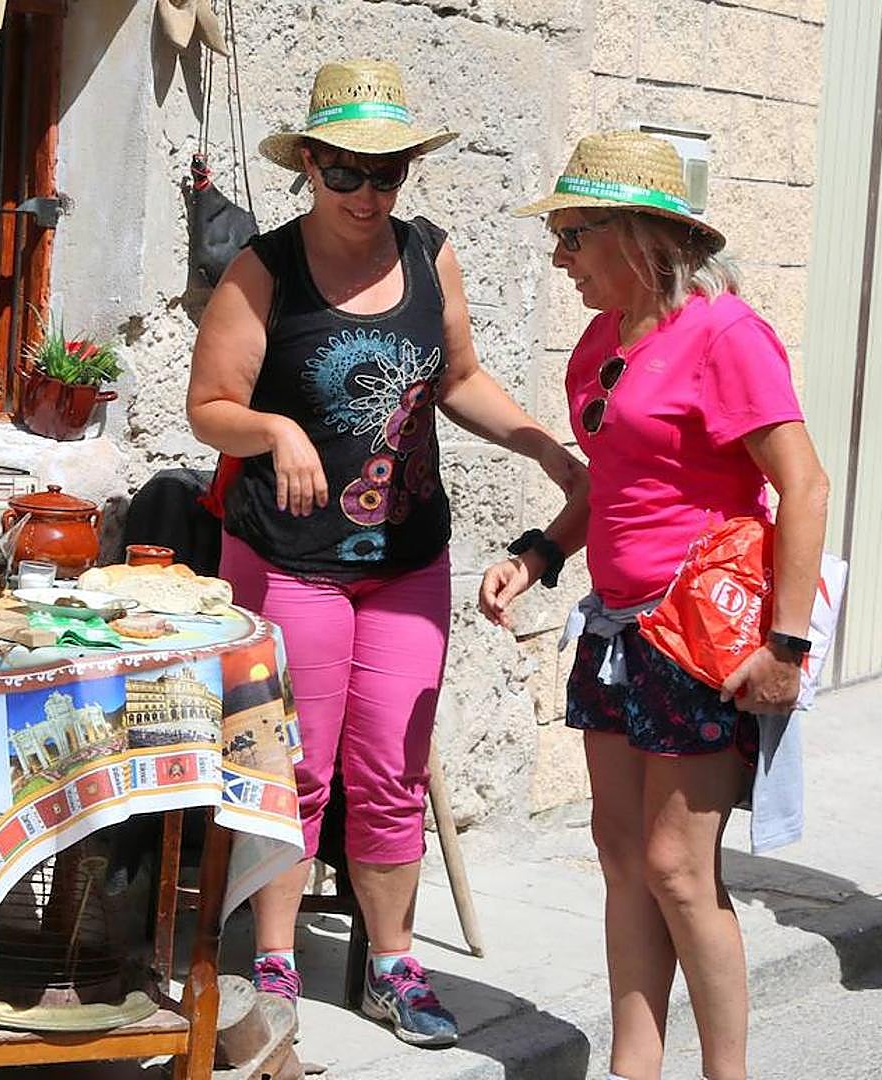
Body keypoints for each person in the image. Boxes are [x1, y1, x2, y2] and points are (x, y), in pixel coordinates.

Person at [186, 59, 587, 1048]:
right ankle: (274, 965)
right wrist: (273, 432)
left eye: (387, 172)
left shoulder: (427, 255)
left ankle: (391, 965)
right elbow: (207, 410)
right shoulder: (262, 269)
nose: (368, 193)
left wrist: (536, 442)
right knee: (293, 768)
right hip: (289, 559)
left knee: (391, 768)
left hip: (405, 555)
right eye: (347, 173)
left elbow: (456, 375)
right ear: (309, 166)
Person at [488, 131, 831, 1080]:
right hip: (613, 626)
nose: (559, 258)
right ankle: (633, 1065)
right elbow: (616, 476)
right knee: (622, 856)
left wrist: (787, 648)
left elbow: (803, 485)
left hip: (697, 634)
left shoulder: (725, 333)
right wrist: (544, 550)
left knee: (681, 870)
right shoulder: (604, 340)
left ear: (638, 237)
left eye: (572, 235)